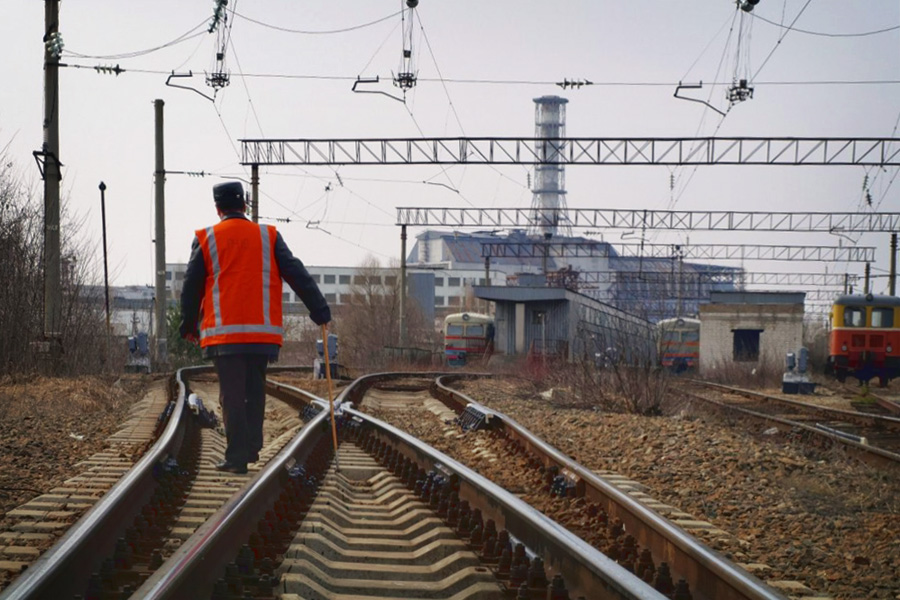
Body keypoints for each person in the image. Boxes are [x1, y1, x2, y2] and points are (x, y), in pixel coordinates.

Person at [179, 181, 331, 474]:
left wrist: (188, 325)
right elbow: (296, 271)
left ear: (218, 208)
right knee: (254, 390)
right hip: (262, 335)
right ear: (245, 205)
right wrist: (319, 309)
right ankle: (251, 447)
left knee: (232, 394)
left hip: (224, 335)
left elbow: (191, 286)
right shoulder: (268, 236)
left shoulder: (207, 238)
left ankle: (237, 456)